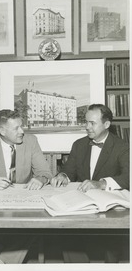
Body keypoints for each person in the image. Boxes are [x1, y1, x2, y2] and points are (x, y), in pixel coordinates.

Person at [0, 109, 53, 264]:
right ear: (2, 131)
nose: (22, 131)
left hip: (24, 200)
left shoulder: (31, 141)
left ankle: (1, 263)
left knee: (33, 225)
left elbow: (45, 172)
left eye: (21, 126)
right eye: (16, 128)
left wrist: (40, 179)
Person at [50, 103, 129, 263]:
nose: (87, 127)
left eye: (92, 123)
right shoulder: (79, 145)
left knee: (107, 254)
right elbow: (69, 170)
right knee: (69, 246)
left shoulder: (122, 147)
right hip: (82, 208)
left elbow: (129, 176)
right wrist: (63, 175)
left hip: (110, 213)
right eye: (86, 122)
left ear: (106, 124)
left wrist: (102, 183)